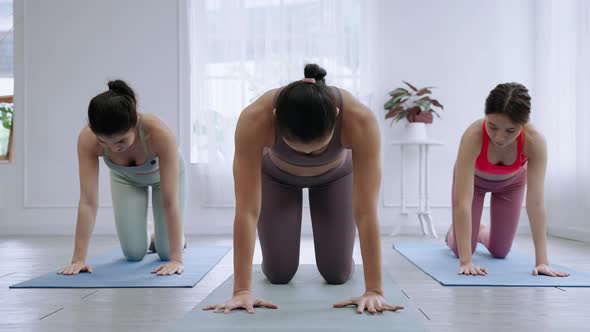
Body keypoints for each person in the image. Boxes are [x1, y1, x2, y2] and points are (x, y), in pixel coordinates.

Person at [204, 64, 404, 314]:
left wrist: (374, 290)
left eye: (318, 150)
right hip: (277, 178)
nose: (309, 156)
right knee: (278, 273)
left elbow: (365, 211)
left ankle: (340, 258)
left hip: (335, 178)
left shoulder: (360, 120)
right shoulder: (255, 118)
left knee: (337, 273)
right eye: (299, 149)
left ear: (337, 114)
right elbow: (246, 211)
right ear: (275, 117)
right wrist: (241, 291)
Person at [59, 80, 187, 276]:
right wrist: (78, 259)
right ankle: (151, 230)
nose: (113, 148)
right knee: (134, 253)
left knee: (166, 251)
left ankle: (169, 239)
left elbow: (170, 202)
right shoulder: (87, 139)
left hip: (164, 179)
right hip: (126, 180)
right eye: (104, 142)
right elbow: (88, 202)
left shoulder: (159, 133)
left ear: (134, 124)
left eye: (121, 141)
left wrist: (176, 259)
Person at [447, 82, 569, 278]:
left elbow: (536, 204)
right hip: (474, 184)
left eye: (510, 131)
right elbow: (462, 202)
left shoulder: (534, 141)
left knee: (500, 251)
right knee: (461, 248)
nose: (499, 137)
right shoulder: (473, 136)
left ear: (523, 124)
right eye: (492, 126)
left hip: (511, 185)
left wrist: (542, 262)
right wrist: (466, 261)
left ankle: (478, 231)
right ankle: (453, 234)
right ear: (486, 117)